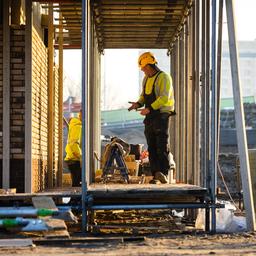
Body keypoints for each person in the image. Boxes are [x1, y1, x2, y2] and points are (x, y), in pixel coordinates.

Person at [128, 52, 175, 184]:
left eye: (143, 68)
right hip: (150, 117)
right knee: (152, 146)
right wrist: (137, 104)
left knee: (162, 145)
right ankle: (156, 175)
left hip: (162, 116)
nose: (143, 71)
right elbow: (144, 97)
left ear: (149, 65)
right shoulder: (146, 79)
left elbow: (164, 98)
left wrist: (149, 108)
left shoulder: (164, 78)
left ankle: (163, 173)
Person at [64, 109, 82, 187]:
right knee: (76, 184)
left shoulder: (76, 125)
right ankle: (74, 199)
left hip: (72, 159)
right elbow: (73, 143)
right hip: (74, 159)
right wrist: (80, 156)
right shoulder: (77, 126)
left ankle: (74, 199)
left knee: (76, 183)